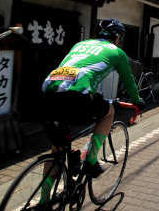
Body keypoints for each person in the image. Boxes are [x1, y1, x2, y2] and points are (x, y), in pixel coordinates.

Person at [40, 18, 144, 182]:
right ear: (117, 38)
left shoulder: (79, 45)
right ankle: (91, 159)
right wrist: (138, 101)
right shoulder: (116, 52)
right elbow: (129, 81)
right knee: (109, 112)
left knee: (57, 151)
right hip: (77, 98)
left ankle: (44, 201)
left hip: (46, 97)